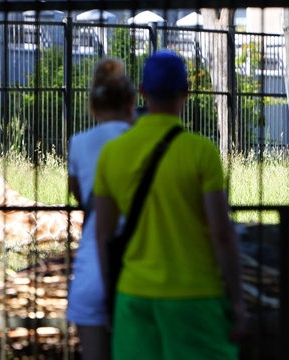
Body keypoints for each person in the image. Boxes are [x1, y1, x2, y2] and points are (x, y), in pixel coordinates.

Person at [93, 50, 247, 360]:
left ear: (142, 92)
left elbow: (103, 235)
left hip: (133, 295)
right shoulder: (201, 152)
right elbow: (221, 233)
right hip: (195, 296)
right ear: (186, 92)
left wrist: (110, 297)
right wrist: (238, 299)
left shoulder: (112, 153)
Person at [66, 58, 137, 360]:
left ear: (93, 107)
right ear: (131, 103)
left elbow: (80, 196)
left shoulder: (78, 142)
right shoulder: (141, 141)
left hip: (90, 270)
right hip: (135, 270)